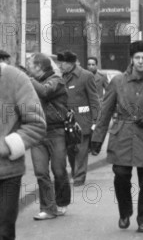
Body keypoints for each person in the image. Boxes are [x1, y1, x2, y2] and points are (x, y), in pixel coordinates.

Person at [91, 41, 143, 233]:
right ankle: (124, 211)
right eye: (137, 58)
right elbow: (105, 111)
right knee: (120, 176)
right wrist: (97, 138)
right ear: (132, 59)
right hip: (122, 135)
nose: (141, 61)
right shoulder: (118, 82)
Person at [0, 62, 46, 240]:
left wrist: (6, 146)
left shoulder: (15, 78)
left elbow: (36, 124)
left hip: (6, 173)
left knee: (3, 233)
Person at [27, 53, 71, 220]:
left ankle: (62, 201)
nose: (28, 67)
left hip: (56, 131)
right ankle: (48, 208)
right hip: (37, 131)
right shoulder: (32, 82)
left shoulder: (57, 80)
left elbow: (45, 92)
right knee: (40, 172)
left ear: (39, 67)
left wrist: (28, 80)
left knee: (59, 170)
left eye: (30, 64)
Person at [57, 51, 99, 186]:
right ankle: (76, 173)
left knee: (81, 150)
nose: (60, 66)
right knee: (71, 150)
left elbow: (94, 99)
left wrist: (95, 120)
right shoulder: (60, 77)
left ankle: (79, 177)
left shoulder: (86, 76)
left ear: (70, 63)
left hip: (83, 120)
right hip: (66, 121)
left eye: (62, 63)